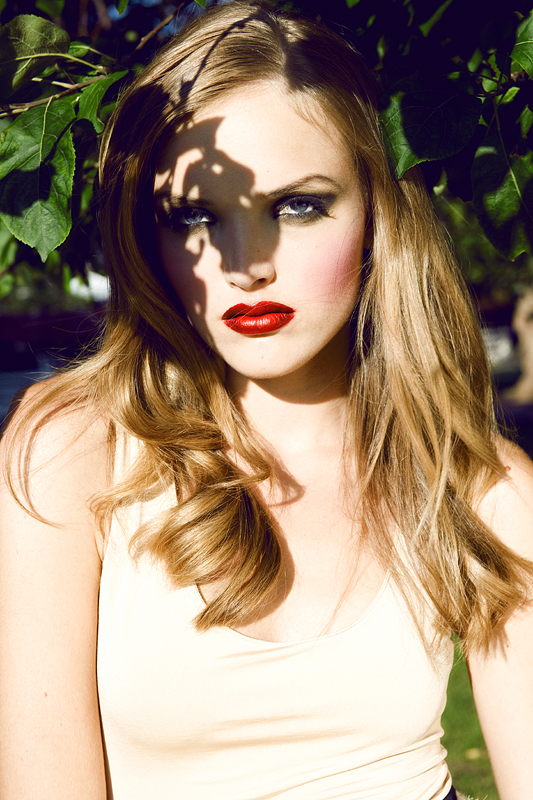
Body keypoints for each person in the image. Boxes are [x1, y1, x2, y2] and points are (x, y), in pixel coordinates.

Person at [1, 2, 532, 798]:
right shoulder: (73, 453)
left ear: (378, 214)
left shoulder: (481, 489)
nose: (245, 265)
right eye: (194, 216)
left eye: (297, 206)